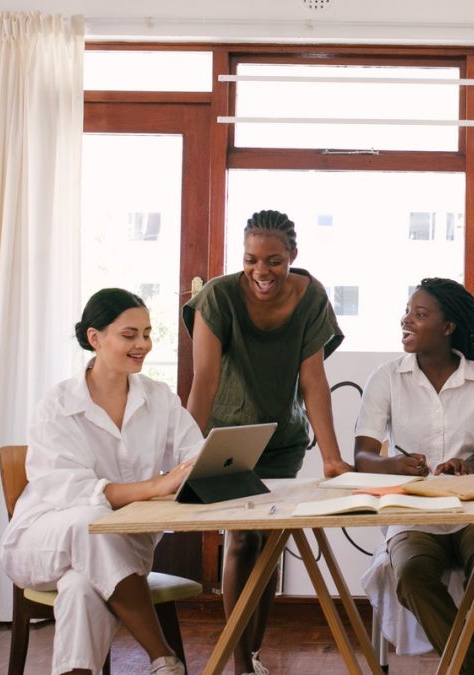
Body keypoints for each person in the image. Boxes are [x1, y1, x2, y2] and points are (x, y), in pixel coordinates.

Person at [0, 288, 203, 675]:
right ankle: (163, 656)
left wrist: (199, 468)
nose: (142, 344)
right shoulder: (57, 404)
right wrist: (155, 486)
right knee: (88, 521)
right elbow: (71, 493)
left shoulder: (159, 398)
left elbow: (195, 454)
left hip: (122, 549)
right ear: (95, 338)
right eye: (130, 335)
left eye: (147, 333)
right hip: (41, 541)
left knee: (79, 588)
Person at [183, 209, 351, 675]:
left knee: (270, 543)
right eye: (251, 259)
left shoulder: (311, 296)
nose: (262, 271)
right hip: (228, 436)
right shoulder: (217, 296)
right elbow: (204, 383)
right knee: (241, 541)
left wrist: (332, 457)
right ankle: (238, 661)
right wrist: (185, 454)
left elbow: (314, 381)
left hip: (282, 440)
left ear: (293, 256)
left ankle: (251, 654)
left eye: (274, 261)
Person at [354, 277, 474, 675]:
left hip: (470, 509)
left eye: (419, 314)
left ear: (448, 328)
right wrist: (394, 465)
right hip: (413, 514)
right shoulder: (387, 377)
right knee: (410, 573)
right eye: (408, 311)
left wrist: (465, 467)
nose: (406, 320)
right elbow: (362, 457)